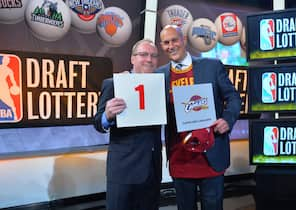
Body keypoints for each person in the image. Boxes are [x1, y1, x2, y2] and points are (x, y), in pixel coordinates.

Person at [156, 25, 241, 210]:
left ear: (184, 40)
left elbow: (233, 97)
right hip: (180, 158)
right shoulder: (159, 75)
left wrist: (227, 119)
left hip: (211, 155)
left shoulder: (212, 66)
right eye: (166, 42)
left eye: (174, 40)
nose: (171, 46)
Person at [93, 39, 162, 210]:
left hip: (152, 169)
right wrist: (107, 116)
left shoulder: (161, 86)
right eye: (143, 54)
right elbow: (98, 122)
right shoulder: (114, 84)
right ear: (132, 59)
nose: (149, 59)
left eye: (153, 56)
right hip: (123, 169)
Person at [0, 55, 20, 120]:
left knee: (10, 101)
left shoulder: (9, 70)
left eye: (7, 61)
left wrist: (15, 86)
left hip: (4, 86)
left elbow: (13, 80)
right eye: (5, 60)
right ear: (3, 61)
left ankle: (15, 115)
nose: (6, 61)